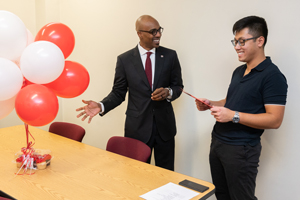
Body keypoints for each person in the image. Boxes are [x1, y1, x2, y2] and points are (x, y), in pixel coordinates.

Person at [195, 16, 287, 200]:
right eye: (235, 41)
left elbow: (275, 120)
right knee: (222, 195)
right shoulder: (239, 71)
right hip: (218, 143)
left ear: (260, 41)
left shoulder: (273, 76)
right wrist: (211, 104)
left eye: (242, 41)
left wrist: (233, 116)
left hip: (241, 149)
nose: (237, 46)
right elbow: (231, 101)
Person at [76, 15, 183, 171]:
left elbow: (178, 86)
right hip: (137, 129)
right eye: (153, 31)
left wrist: (168, 92)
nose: (158, 35)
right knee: (136, 174)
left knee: (166, 175)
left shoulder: (170, 56)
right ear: (139, 33)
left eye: (159, 30)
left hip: (164, 129)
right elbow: (118, 92)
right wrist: (101, 105)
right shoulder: (124, 60)